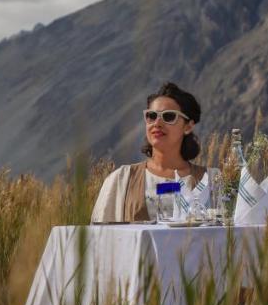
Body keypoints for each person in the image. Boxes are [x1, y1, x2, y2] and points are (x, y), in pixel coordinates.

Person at [91, 82, 216, 223]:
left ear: (188, 126)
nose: (157, 123)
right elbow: (100, 236)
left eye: (169, 116)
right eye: (151, 116)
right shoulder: (122, 179)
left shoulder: (212, 180)